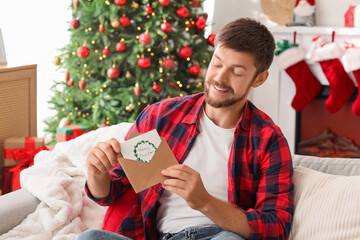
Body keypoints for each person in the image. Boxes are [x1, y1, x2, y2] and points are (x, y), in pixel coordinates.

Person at [79, 18, 294, 240]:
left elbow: (275, 228)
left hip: (218, 236)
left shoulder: (268, 140)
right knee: (90, 237)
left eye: (236, 72)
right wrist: (97, 174)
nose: (220, 78)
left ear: (258, 79)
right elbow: (112, 192)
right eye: (217, 64)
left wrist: (205, 202)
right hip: (159, 236)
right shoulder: (160, 117)